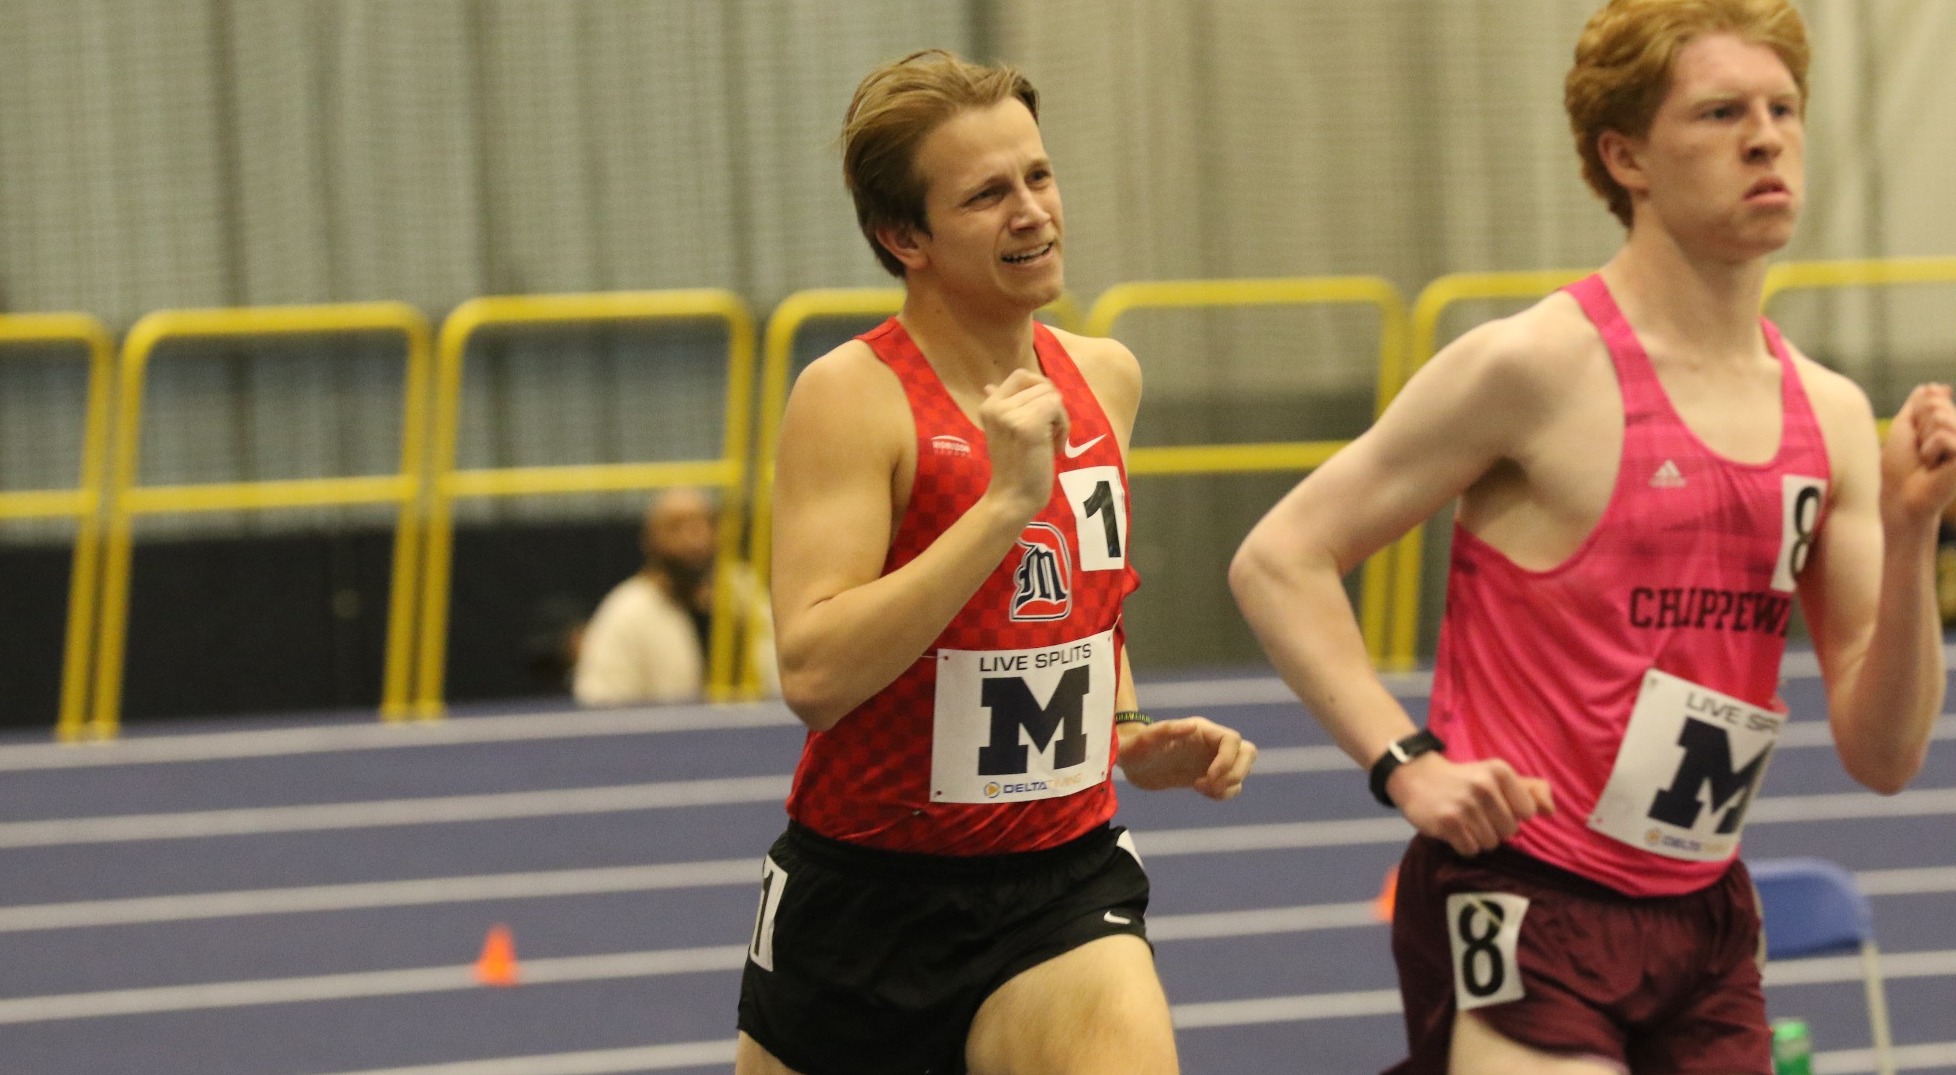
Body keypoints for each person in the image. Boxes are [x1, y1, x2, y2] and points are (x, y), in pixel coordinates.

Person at [1229, 1, 1956, 1071]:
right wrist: (1405, 763)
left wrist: (1911, 534)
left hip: (1704, 915)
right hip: (1523, 890)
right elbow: (1280, 557)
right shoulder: (1531, 368)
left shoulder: (1835, 415)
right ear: (1627, 157)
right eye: (1719, 112)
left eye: (1783, 107)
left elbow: (1886, 754)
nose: (1766, 136)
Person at [736, 49, 1258, 1075]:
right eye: (986, 195)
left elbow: (1082, 605)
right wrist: (1002, 504)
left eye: (1038, 176)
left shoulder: (1105, 378)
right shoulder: (852, 398)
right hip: (868, 899)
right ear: (904, 236)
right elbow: (816, 674)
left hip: (1062, 880)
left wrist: (1130, 728)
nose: (1031, 211)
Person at [573, 487, 777, 705]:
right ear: (649, 539)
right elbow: (601, 701)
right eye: (676, 526)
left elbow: (779, 680)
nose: (694, 539)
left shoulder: (744, 593)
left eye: (703, 524)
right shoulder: (627, 610)